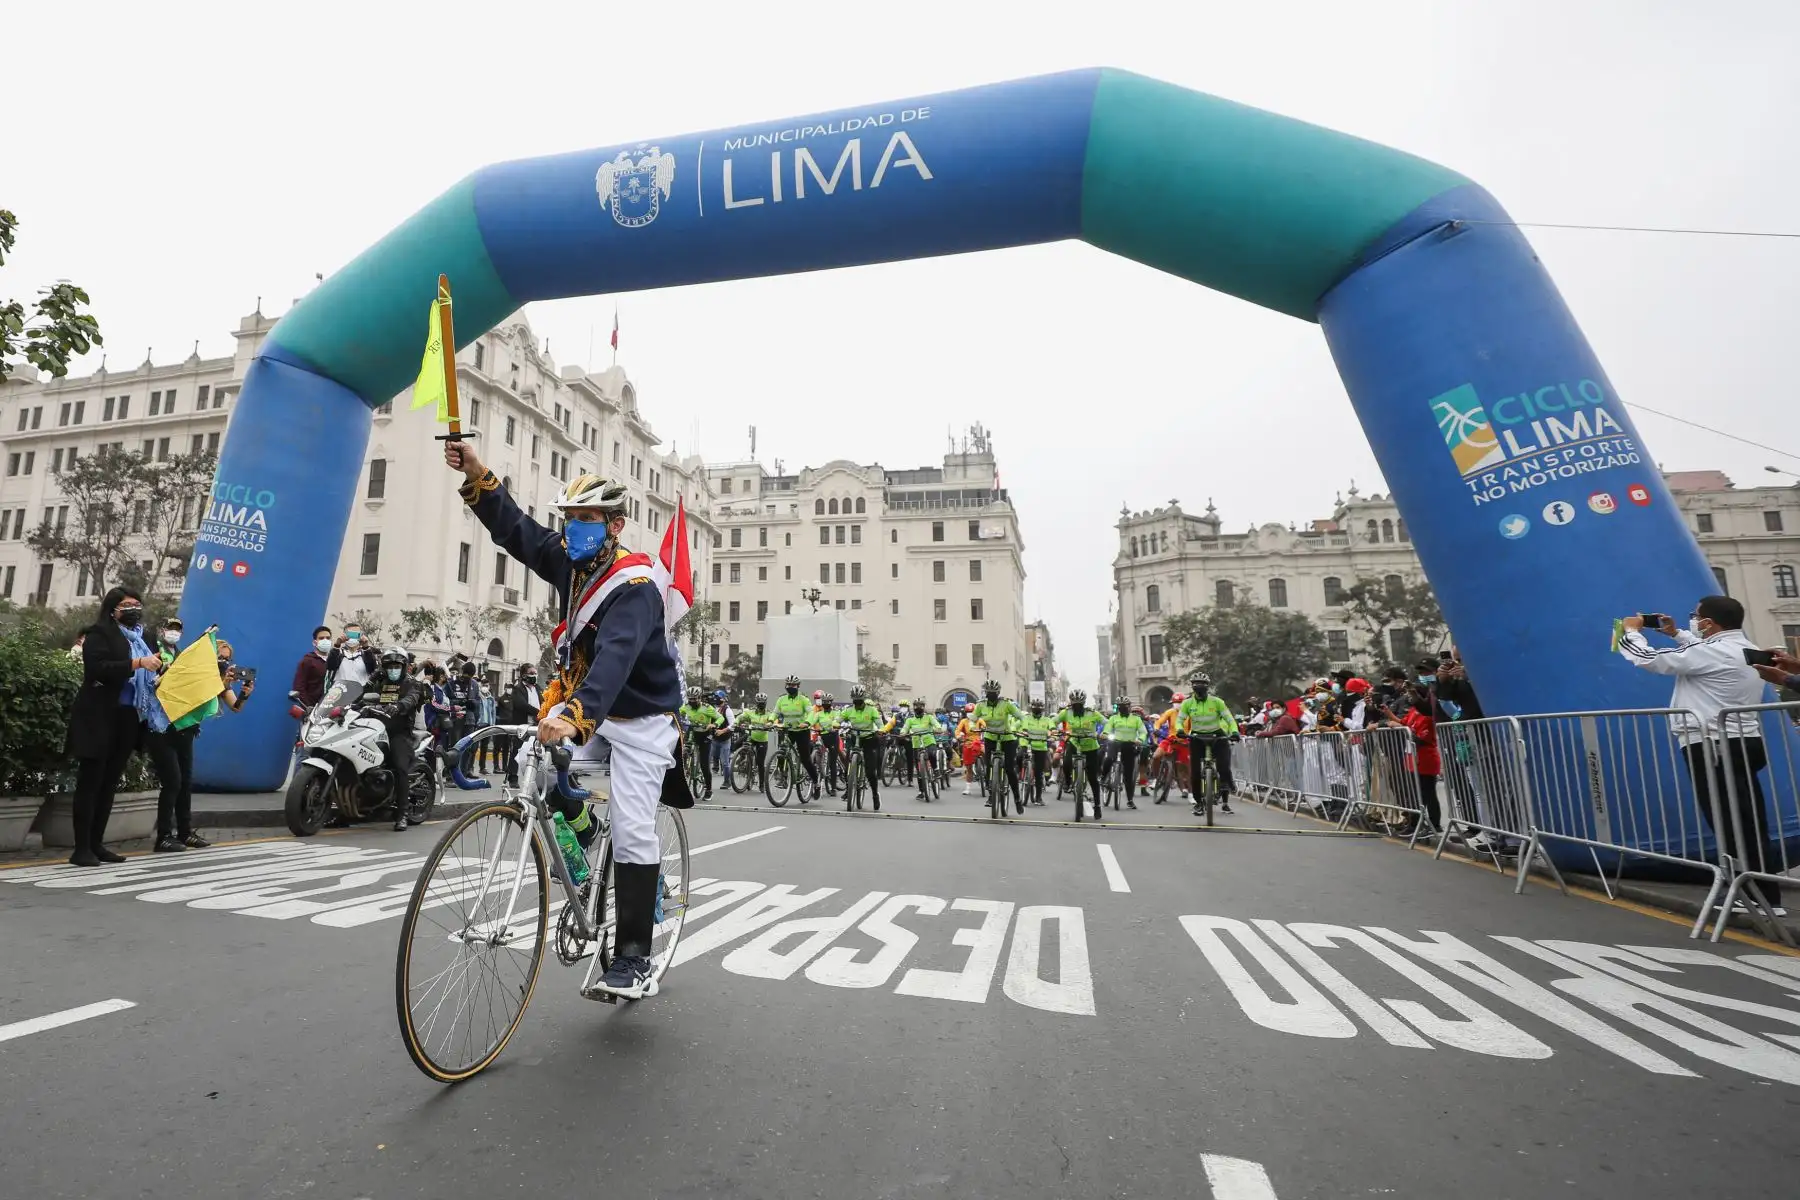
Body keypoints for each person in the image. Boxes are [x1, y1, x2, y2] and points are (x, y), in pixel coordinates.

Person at [449, 445, 684, 999]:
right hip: (592, 712)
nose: (574, 530)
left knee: (632, 827)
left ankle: (632, 959)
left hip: (643, 718)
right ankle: (583, 831)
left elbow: (615, 658)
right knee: (533, 760)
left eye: (586, 520)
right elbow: (518, 532)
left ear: (614, 525)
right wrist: (478, 474)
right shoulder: (572, 564)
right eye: (570, 520)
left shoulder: (635, 587)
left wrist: (575, 717)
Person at [1619, 597, 1781, 913]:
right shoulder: (1744, 648)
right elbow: (1701, 654)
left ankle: (1750, 893)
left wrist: (1630, 630)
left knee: (1728, 819)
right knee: (1747, 818)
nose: (1694, 620)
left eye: (1697, 616)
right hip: (1740, 740)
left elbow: (1649, 659)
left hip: (1712, 743)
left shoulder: (1713, 652)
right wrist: (1677, 633)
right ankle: (1762, 891)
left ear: (1709, 623)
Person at [64, 588, 162, 867]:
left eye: (136, 603)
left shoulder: (143, 638)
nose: (133, 608)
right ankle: (81, 848)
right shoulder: (99, 634)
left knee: (109, 783)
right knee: (90, 782)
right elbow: (97, 668)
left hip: (128, 716)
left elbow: (148, 670)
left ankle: (97, 844)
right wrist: (137, 663)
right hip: (98, 715)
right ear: (112, 609)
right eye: (127, 604)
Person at [144, 616, 206, 852]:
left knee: (185, 781)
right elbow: (148, 684)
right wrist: (163, 675)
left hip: (183, 726)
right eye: (170, 628)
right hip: (160, 726)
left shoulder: (181, 655)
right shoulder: (154, 653)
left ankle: (185, 832)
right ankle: (163, 836)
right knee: (172, 781)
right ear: (161, 630)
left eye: (177, 629)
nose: (173, 632)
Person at [355, 648, 428, 832]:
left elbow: (412, 699)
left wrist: (398, 706)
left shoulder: (413, 684)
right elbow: (359, 696)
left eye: (397, 666)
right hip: (372, 729)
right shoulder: (379, 682)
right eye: (389, 666)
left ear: (403, 667)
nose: (392, 669)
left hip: (399, 733)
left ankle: (402, 813)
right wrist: (371, 679)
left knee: (400, 766)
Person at [1179, 673, 1238, 815]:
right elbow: (1179, 719)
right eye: (1195, 683)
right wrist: (1180, 730)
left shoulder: (1217, 701)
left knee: (1223, 767)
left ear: (1207, 686)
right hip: (1197, 736)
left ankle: (1225, 797)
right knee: (1195, 772)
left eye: (1202, 683)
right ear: (1192, 686)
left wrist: (1235, 732)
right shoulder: (1187, 703)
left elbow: (1229, 719)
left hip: (1217, 735)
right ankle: (1199, 803)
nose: (1199, 686)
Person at [971, 680, 1024, 813]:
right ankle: (991, 795)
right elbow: (972, 719)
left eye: (994, 693)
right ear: (985, 693)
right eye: (989, 693)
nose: (991, 696)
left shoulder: (1006, 704)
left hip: (1007, 738)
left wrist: (1017, 728)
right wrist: (973, 727)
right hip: (990, 737)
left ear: (998, 693)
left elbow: (1021, 717)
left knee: (1010, 769)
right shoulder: (980, 705)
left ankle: (1017, 799)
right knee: (988, 765)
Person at [1056, 689, 1105, 821]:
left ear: (1083, 703)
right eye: (1074, 704)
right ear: (1071, 703)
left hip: (1090, 746)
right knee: (1066, 763)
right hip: (1074, 742)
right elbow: (1053, 721)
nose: (1076, 707)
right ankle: (1067, 782)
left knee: (1093, 777)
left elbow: (1106, 722)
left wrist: (1103, 733)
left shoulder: (1092, 713)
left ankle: (1098, 805)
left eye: (1079, 704)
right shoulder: (1066, 712)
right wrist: (1052, 729)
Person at [838, 685, 890, 809]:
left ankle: (874, 794)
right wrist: (835, 724)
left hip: (869, 739)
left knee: (870, 771)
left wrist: (881, 730)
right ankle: (849, 786)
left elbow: (879, 724)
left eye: (859, 700)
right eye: (855, 700)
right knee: (847, 764)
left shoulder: (871, 710)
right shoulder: (849, 710)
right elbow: (838, 719)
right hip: (854, 738)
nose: (857, 702)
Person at [678, 687, 722, 799]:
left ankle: (709, 790)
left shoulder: (707, 708)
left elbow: (720, 718)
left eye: (695, 699)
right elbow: (679, 713)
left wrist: (714, 725)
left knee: (704, 764)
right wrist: (679, 718)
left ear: (700, 698)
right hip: (693, 732)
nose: (692, 701)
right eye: (690, 699)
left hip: (705, 735)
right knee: (683, 749)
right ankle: (687, 763)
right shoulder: (686, 706)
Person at [1102, 697, 1146, 810]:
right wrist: (1105, 734)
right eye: (1119, 706)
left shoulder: (1136, 719)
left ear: (1129, 707)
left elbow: (1142, 732)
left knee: (1128, 774)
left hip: (1129, 745)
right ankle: (1103, 778)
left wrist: (1140, 740)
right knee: (1109, 759)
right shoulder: (1113, 718)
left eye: (1124, 706)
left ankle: (1130, 800)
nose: (1122, 709)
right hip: (1115, 743)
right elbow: (1107, 728)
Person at [901, 699, 944, 800]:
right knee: (919, 770)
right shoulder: (910, 719)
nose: (918, 708)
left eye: (920, 706)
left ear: (924, 707)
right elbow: (905, 728)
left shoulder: (929, 717)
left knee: (932, 755)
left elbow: (937, 725)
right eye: (916, 706)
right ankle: (921, 791)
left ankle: (935, 769)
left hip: (929, 741)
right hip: (916, 744)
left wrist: (938, 729)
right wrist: (903, 733)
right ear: (914, 707)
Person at [1017, 700, 1055, 805]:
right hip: (1029, 745)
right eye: (1035, 708)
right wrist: (1023, 732)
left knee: (1038, 773)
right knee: (1019, 756)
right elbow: (1024, 728)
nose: (1037, 710)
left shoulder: (1047, 720)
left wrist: (1051, 735)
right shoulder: (1027, 718)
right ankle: (1021, 773)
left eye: (1039, 708)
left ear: (1042, 710)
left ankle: (1038, 797)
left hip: (1041, 748)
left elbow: (1052, 729)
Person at [325, 621, 377, 690]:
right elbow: (330, 666)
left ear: (361, 635)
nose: (353, 638)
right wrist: (337, 644)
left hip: (361, 694)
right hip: (340, 694)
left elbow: (372, 668)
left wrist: (366, 647)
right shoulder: (338, 653)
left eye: (356, 634)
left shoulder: (366, 653)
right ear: (344, 635)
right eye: (350, 634)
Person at [292, 625, 333, 711]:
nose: (325, 640)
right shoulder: (307, 661)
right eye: (321, 638)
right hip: (312, 709)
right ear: (315, 642)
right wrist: (308, 706)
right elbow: (299, 687)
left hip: (331, 708)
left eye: (328, 638)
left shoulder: (334, 660)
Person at [742, 693, 775, 791]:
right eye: (759, 703)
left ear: (765, 703)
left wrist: (769, 724)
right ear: (756, 703)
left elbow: (773, 719)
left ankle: (761, 785)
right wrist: (736, 722)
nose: (761, 704)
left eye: (763, 703)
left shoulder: (769, 713)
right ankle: (744, 762)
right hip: (752, 737)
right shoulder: (751, 711)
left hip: (762, 740)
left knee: (760, 762)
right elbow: (741, 717)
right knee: (745, 747)